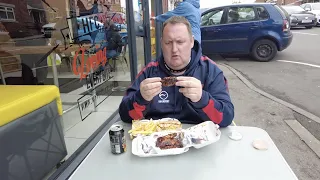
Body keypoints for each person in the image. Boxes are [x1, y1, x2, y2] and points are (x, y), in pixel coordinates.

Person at [119, 16, 234, 127]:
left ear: (191, 42)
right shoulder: (149, 72)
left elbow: (226, 117)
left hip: (197, 139)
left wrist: (202, 99)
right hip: (156, 138)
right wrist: (140, 98)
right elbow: (125, 116)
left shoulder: (210, 71)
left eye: (180, 42)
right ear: (162, 44)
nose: (174, 49)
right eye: (168, 43)